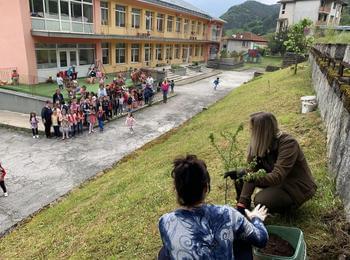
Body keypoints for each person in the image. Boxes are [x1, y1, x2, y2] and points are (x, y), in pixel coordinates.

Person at [158, 155, 268, 260]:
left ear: (176, 190)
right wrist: (256, 218)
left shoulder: (165, 221)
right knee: (243, 239)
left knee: (163, 252)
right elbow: (261, 239)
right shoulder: (227, 213)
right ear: (206, 188)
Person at [224, 112, 317, 214]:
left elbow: (277, 176)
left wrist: (251, 177)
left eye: (252, 129)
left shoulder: (288, 144)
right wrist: (242, 203)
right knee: (241, 174)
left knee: (261, 201)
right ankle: (244, 209)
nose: (250, 132)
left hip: (293, 186)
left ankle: (289, 208)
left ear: (261, 132)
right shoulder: (258, 144)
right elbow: (250, 170)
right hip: (275, 182)